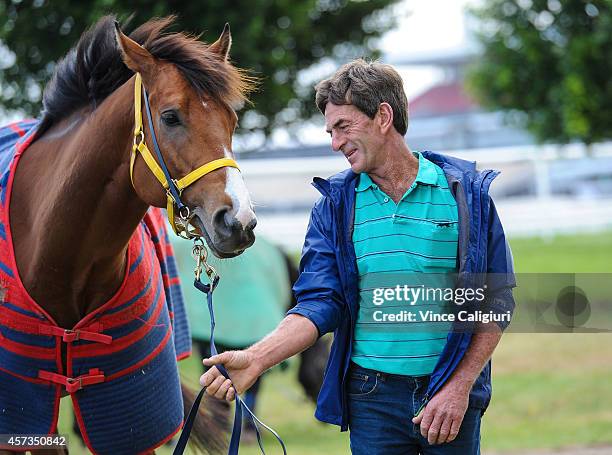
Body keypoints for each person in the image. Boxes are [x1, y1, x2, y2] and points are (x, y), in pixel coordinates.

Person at [200, 59, 516, 454]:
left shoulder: (465, 194)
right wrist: (257, 358)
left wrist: (459, 386)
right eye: (330, 131)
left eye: (343, 127)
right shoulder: (335, 206)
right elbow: (319, 303)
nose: (335, 143)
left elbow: (493, 302)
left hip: (449, 393)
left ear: (383, 116)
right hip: (373, 397)